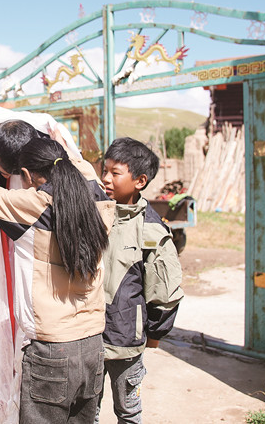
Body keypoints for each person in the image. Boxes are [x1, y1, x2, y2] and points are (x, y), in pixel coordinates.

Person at [0, 126, 116, 424]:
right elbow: (82, 168)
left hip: (51, 349)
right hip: (94, 345)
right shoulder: (97, 197)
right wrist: (62, 144)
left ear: (27, 176)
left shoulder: (33, 207)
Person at [96, 137, 184, 424]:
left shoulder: (151, 231)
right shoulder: (94, 214)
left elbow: (165, 293)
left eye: (115, 173)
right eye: (104, 170)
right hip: (88, 336)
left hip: (126, 342)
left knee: (128, 411)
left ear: (140, 181)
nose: (105, 179)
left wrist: (155, 334)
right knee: (85, 411)